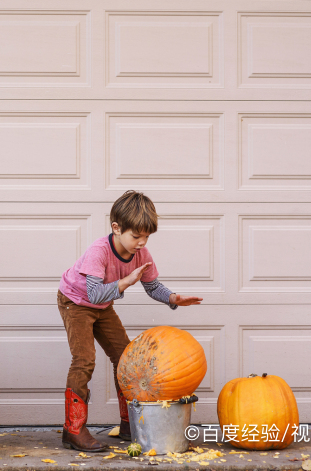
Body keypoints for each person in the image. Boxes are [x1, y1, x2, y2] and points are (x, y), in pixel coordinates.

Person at [57, 190, 203, 452]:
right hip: (76, 302)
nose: (141, 242)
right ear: (116, 228)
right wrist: (126, 281)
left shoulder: (142, 254)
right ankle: (73, 429)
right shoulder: (98, 251)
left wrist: (172, 298)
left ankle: (129, 423)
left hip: (102, 305)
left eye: (146, 236)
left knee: (125, 357)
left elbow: (152, 286)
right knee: (84, 360)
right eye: (136, 236)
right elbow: (93, 293)